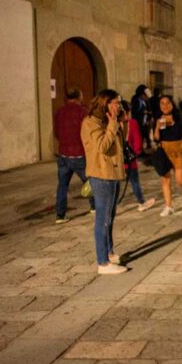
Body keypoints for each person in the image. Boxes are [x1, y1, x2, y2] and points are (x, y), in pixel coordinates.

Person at [81, 89, 127, 275]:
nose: (118, 105)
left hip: (113, 173)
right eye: (115, 102)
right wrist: (113, 125)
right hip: (101, 175)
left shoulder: (107, 121)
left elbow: (120, 146)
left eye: (118, 102)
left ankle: (109, 252)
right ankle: (102, 262)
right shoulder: (91, 123)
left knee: (110, 217)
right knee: (102, 218)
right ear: (105, 103)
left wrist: (118, 123)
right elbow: (102, 147)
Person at [53, 88, 94, 223]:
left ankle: (60, 215)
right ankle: (94, 207)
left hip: (63, 154)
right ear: (78, 97)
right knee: (90, 181)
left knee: (62, 186)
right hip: (79, 153)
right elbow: (88, 133)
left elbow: (57, 132)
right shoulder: (83, 111)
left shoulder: (59, 112)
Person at [154, 95, 182, 217]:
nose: (164, 106)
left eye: (167, 103)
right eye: (162, 103)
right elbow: (156, 138)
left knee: (180, 179)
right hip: (164, 150)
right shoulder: (159, 119)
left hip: (178, 150)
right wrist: (157, 127)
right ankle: (169, 206)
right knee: (165, 179)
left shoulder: (180, 118)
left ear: (172, 104)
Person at [121, 101, 156, 212]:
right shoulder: (132, 123)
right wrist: (136, 153)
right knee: (134, 182)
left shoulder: (114, 124)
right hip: (130, 160)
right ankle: (141, 202)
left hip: (117, 161)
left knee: (115, 184)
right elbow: (137, 142)